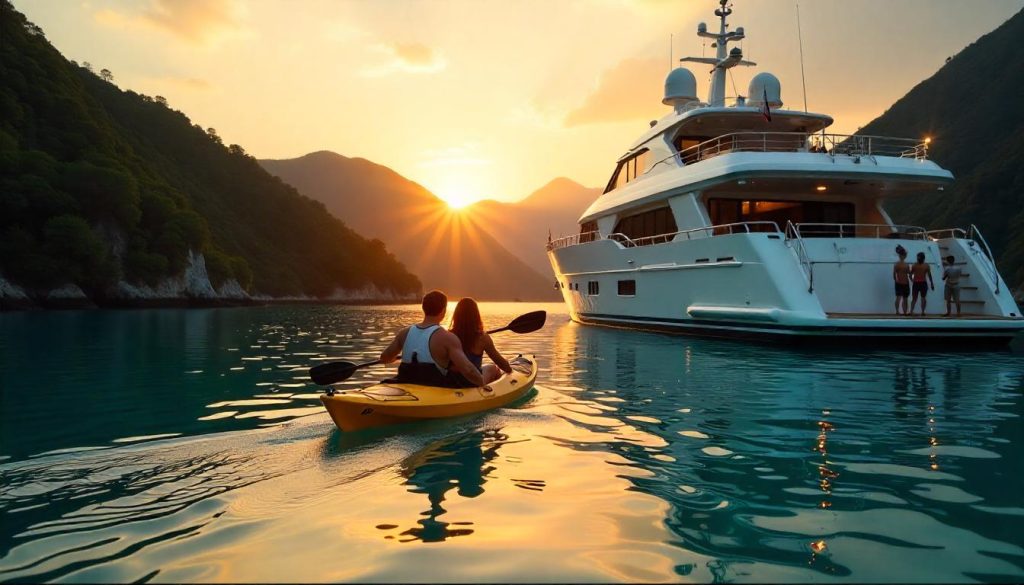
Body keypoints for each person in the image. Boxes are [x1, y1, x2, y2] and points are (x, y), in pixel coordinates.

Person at [379, 290, 485, 388]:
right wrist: (483, 384)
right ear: (443, 310)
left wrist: (396, 357)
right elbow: (468, 370)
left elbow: (385, 358)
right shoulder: (447, 338)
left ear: (423, 308)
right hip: (433, 387)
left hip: (405, 382)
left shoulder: (404, 333)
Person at [448, 298, 512, 385]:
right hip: (473, 382)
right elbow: (503, 365)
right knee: (494, 369)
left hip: (452, 381)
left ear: (456, 315)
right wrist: (509, 367)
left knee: (489, 368)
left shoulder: (448, 336)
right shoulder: (483, 338)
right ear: (476, 316)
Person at [909, 251, 934, 316]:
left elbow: (929, 275)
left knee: (920, 298)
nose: (918, 259)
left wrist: (932, 283)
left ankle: (920, 311)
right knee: (917, 298)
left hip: (921, 283)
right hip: (920, 283)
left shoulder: (917, 265)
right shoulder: (924, 265)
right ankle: (914, 311)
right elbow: (910, 274)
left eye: (918, 258)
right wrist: (932, 284)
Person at [892, 245, 911, 315]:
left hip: (899, 282)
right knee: (904, 298)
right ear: (904, 256)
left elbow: (894, 275)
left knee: (899, 297)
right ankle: (905, 312)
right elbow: (909, 273)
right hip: (905, 282)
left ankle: (897, 311)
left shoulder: (896, 264)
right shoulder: (906, 265)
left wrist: (896, 280)